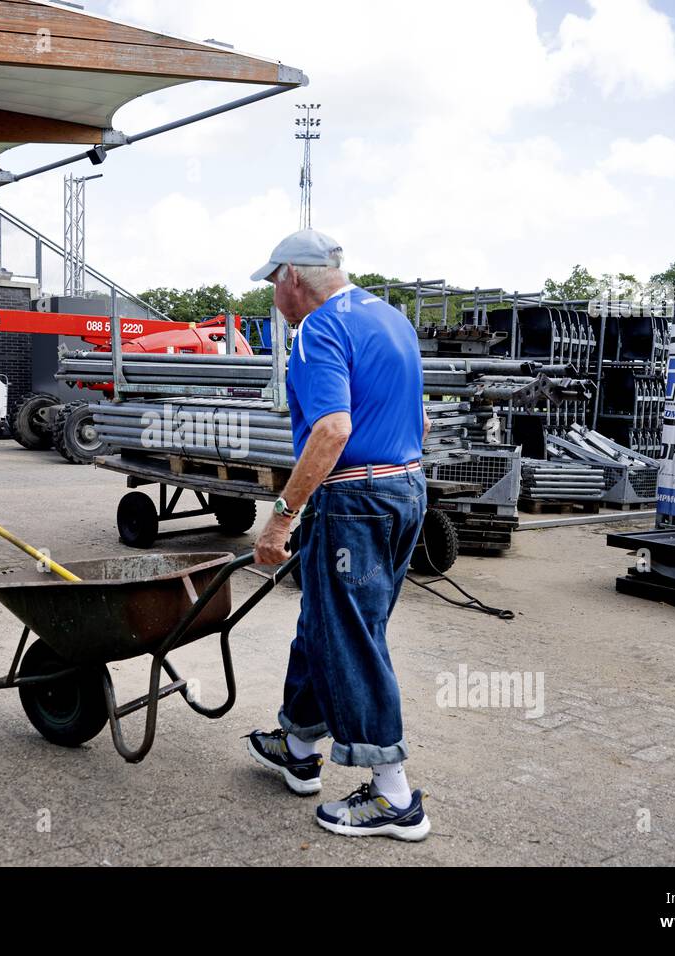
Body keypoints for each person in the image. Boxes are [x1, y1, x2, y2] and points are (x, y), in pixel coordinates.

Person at [245, 228, 432, 841]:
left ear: (291, 277)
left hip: (354, 500)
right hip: (403, 487)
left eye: (272, 283)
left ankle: (394, 796)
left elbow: (331, 428)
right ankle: (298, 743)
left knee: (349, 637)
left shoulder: (320, 329)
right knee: (327, 624)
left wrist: (282, 516)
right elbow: (420, 415)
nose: (273, 297)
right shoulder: (390, 319)